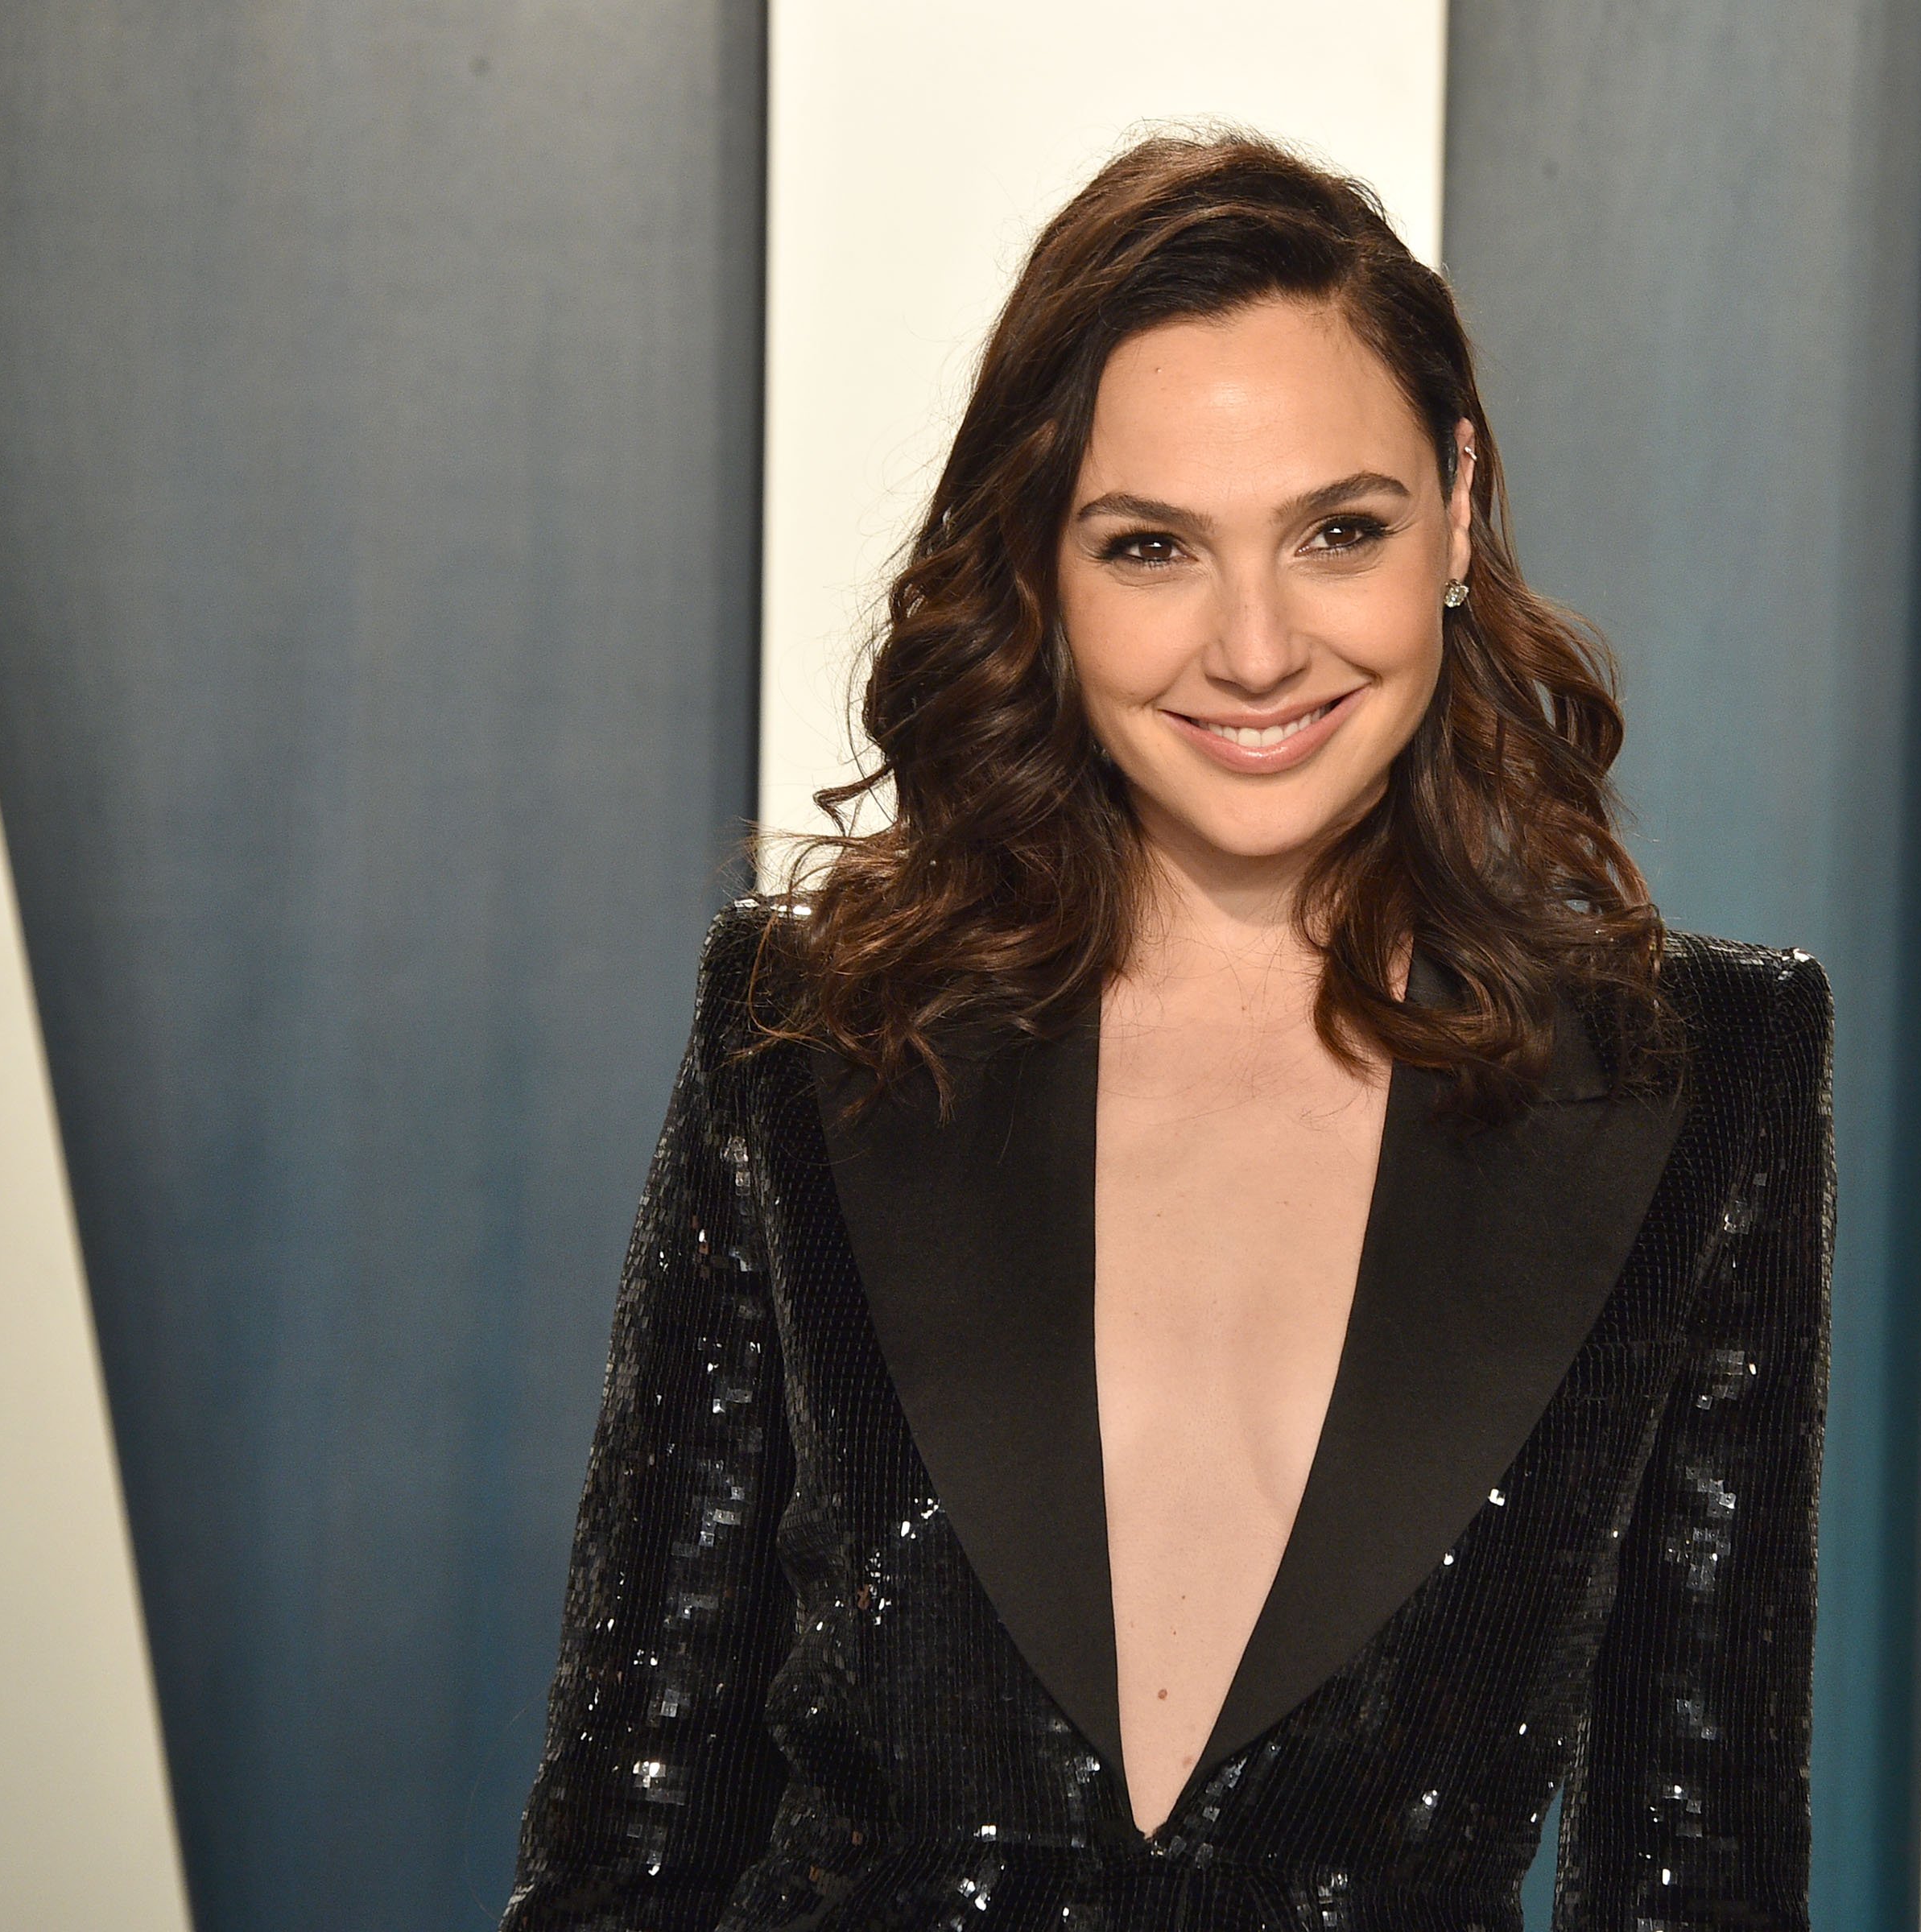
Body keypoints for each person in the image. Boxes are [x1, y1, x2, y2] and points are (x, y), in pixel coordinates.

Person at [501, 130, 1831, 1932]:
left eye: (1336, 531)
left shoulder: (1703, 1077)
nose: (1257, 647)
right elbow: (625, 1854)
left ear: (1455, 504)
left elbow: (1698, 1875)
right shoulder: (811, 1033)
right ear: (1043, 568)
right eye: (1153, 548)